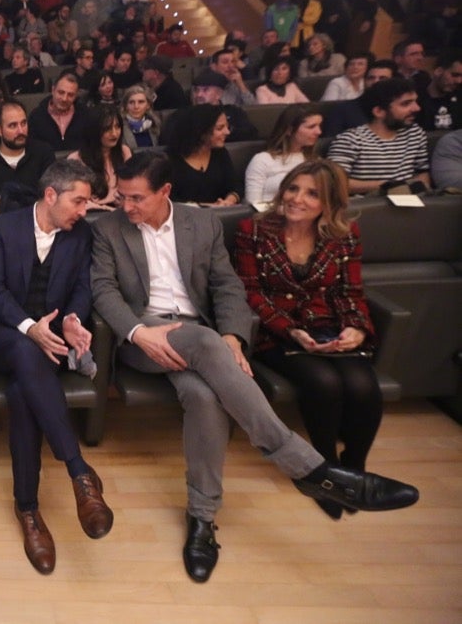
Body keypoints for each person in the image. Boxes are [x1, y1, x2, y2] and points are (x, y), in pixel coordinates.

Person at [90, 150, 419, 583]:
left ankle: (202, 519)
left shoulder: (201, 223)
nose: (126, 207)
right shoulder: (109, 229)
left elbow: (227, 286)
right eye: (123, 198)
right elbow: (104, 290)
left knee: (204, 397)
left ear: (165, 192)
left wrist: (233, 335)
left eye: (136, 199)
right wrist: (138, 332)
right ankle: (309, 468)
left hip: (201, 334)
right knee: (204, 343)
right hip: (143, 339)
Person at [0, 160, 114, 573]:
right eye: (78, 201)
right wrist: (28, 327)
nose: (84, 210)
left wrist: (73, 319)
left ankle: (28, 510)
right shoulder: (4, 228)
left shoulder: (81, 234)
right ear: (50, 196)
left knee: (23, 393)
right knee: (24, 351)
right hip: (4, 333)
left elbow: (81, 289)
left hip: (50, 340)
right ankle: (78, 470)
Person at [235, 161, 383, 519]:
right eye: (292, 188)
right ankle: (325, 471)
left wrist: (356, 328)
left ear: (329, 203)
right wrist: (290, 330)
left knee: (364, 387)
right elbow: (251, 294)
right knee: (324, 382)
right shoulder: (254, 230)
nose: (297, 199)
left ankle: (355, 467)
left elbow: (351, 292)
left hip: (330, 327)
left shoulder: (345, 234)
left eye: (311, 193)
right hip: (278, 333)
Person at [327, 79, 431, 194]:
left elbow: (422, 173)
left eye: (415, 102)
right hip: (369, 207)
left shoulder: (415, 133)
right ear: (379, 111)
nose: (416, 108)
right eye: (405, 104)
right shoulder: (350, 140)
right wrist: (390, 186)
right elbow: (335, 183)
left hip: (411, 204)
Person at [165, 104, 242, 206]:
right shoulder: (170, 159)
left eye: (227, 127)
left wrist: (229, 201)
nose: (227, 132)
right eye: (220, 128)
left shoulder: (220, 153)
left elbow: (235, 186)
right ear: (201, 132)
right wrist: (207, 206)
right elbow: (168, 200)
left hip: (221, 215)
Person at [244, 105, 323, 204]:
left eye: (319, 126)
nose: (319, 132)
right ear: (289, 130)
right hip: (269, 216)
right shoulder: (262, 160)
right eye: (311, 127)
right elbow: (252, 204)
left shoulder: (315, 161)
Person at [68, 103, 131, 211]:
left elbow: (131, 188)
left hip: (122, 212)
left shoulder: (124, 151)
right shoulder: (75, 160)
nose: (115, 133)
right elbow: (78, 201)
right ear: (94, 131)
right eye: (108, 129)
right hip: (92, 214)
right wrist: (107, 209)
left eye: (117, 127)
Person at [27, 72, 99, 152]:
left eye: (70, 95)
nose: (64, 99)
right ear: (53, 90)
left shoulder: (85, 114)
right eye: (61, 92)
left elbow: (93, 146)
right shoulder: (36, 116)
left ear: (76, 96)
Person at [121, 83, 161, 148]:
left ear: (148, 105)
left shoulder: (155, 124)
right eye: (131, 102)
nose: (136, 107)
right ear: (126, 106)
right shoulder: (119, 127)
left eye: (141, 102)